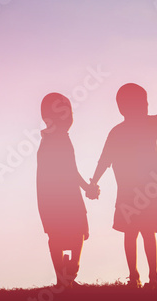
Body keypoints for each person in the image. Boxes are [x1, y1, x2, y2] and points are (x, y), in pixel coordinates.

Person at [89, 83, 157, 288]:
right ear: (141, 105)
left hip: (127, 192)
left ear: (121, 108)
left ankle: (134, 278)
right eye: (145, 102)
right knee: (148, 232)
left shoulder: (117, 132)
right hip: (149, 191)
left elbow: (104, 160)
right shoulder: (150, 125)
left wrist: (94, 182)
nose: (147, 105)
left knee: (130, 234)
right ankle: (152, 277)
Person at [36, 92, 99, 288]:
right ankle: (70, 273)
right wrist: (87, 187)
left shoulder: (48, 138)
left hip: (50, 196)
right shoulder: (59, 138)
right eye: (67, 114)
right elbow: (70, 169)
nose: (70, 118)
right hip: (63, 196)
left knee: (59, 235)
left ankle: (64, 278)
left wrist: (86, 187)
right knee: (76, 232)